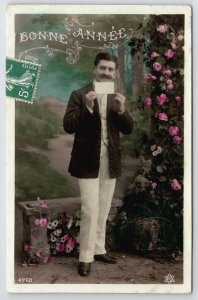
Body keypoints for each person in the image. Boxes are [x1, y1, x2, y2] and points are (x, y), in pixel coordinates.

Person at [63, 52, 133, 276]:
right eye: (103, 68)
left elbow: (128, 128)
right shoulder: (79, 94)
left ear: (115, 72)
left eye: (111, 70)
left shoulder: (116, 97)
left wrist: (122, 110)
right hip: (86, 161)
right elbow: (68, 126)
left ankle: (99, 248)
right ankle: (85, 257)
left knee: (102, 208)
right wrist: (88, 107)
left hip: (110, 160)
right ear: (95, 69)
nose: (106, 73)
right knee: (90, 208)